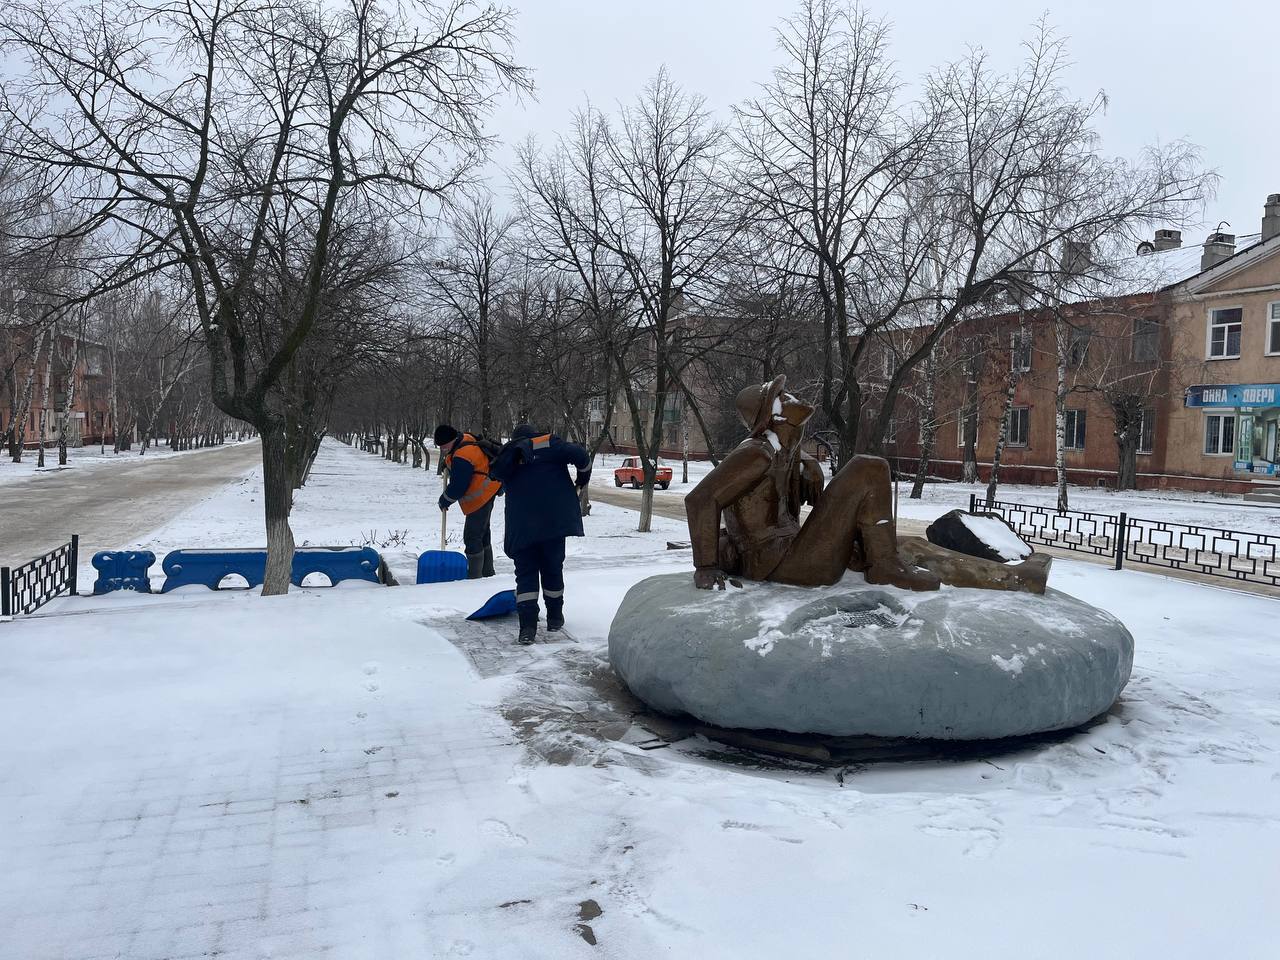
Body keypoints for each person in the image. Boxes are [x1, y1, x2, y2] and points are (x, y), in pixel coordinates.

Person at [685, 375, 941, 591]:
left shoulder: (781, 450)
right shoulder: (756, 453)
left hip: (792, 552)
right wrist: (706, 567)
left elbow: (786, 458)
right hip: (786, 563)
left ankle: (883, 559)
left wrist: (808, 462)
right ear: (773, 417)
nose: (794, 399)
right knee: (868, 467)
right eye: (783, 398)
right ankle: (885, 565)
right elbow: (700, 498)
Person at [489, 424, 592, 644]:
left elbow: (495, 475)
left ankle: (527, 628)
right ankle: (555, 618)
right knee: (553, 568)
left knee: (525, 574)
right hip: (552, 524)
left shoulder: (509, 453)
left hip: (521, 525)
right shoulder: (550, 445)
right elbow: (582, 457)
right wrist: (582, 480)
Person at [434, 423, 502, 579]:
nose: (443, 450)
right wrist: (448, 461)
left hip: (481, 495)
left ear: (452, 440)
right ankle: (487, 572)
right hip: (490, 488)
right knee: (482, 532)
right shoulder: (465, 438)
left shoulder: (462, 456)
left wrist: (444, 500)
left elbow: (458, 486)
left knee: (472, 536)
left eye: (444, 446)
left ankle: (474, 577)